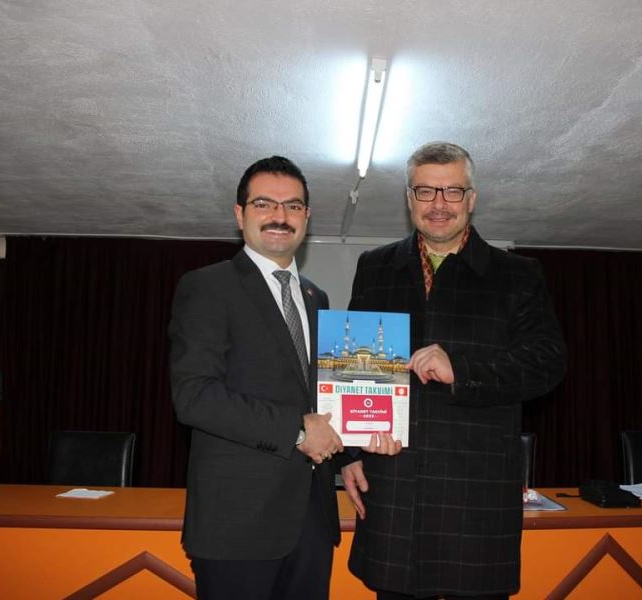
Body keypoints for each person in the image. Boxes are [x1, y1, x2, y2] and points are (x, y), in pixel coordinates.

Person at [342, 142, 567, 600]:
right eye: (426, 191)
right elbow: (352, 371)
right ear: (409, 199)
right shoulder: (374, 267)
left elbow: (548, 364)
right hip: (395, 490)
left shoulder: (518, 274)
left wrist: (461, 369)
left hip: (475, 495)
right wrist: (349, 454)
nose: (439, 204)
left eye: (452, 191)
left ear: (472, 198)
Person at [169, 155, 345, 600]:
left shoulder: (317, 297)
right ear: (240, 214)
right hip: (237, 525)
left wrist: (356, 448)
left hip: (312, 520)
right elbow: (194, 396)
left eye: (293, 206)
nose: (280, 216)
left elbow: (320, 398)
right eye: (264, 204)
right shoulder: (207, 286)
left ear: (306, 216)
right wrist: (296, 429)